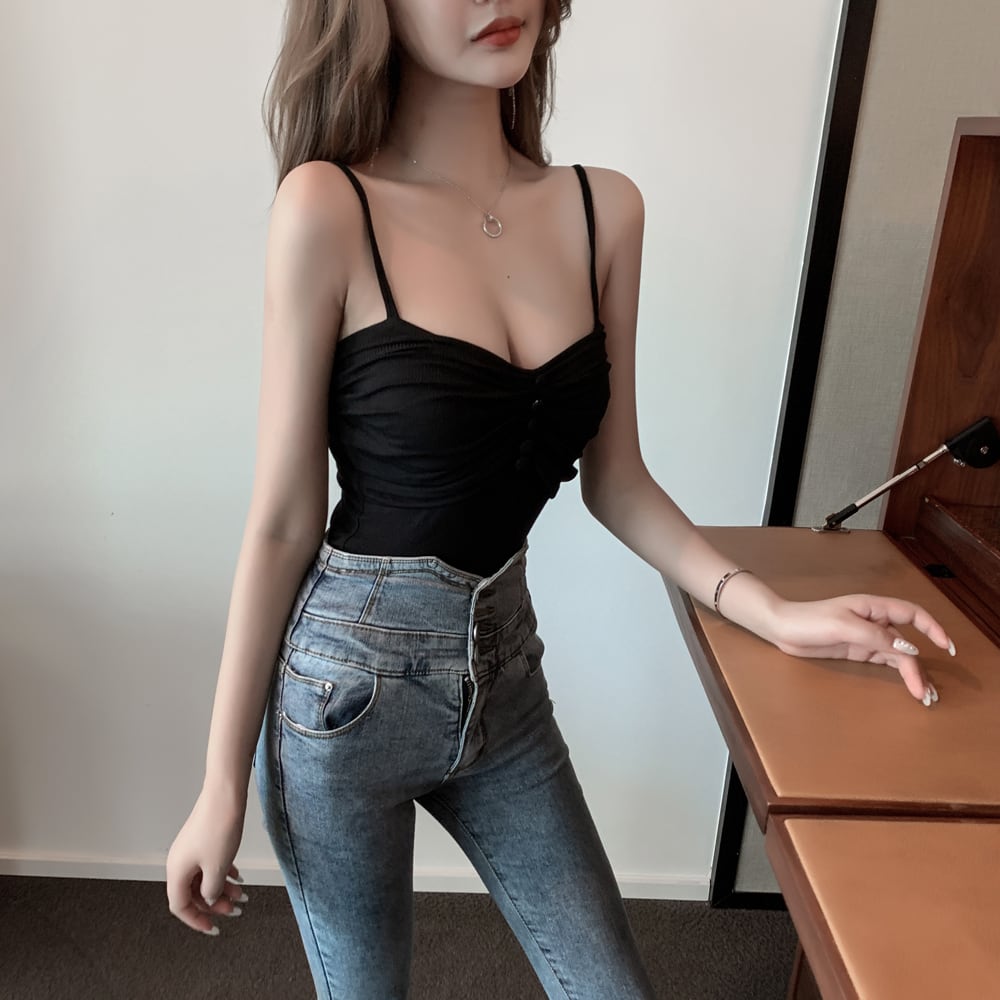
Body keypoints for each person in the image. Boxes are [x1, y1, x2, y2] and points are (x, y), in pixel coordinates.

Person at [165, 1, 955, 996]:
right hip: (343, 698)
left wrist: (775, 613)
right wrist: (219, 783)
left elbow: (615, 480)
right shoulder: (328, 207)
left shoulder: (603, 210)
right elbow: (283, 520)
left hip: (505, 679)